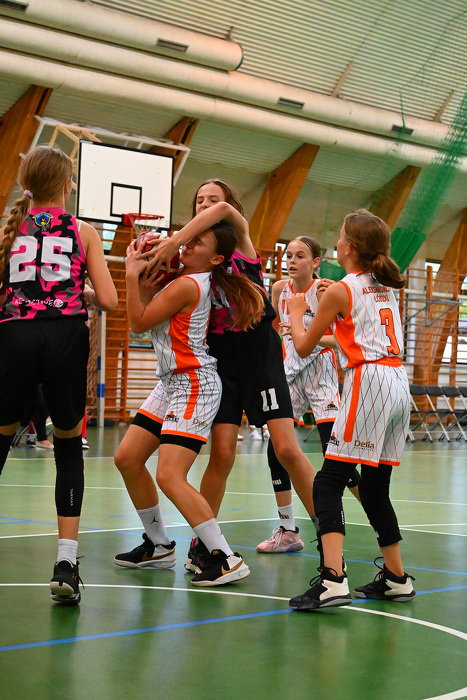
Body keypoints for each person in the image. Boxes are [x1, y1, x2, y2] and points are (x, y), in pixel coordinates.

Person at [147, 179, 319, 570]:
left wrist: (174, 240)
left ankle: (326, 530)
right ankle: (204, 544)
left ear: (229, 205)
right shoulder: (194, 257)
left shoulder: (239, 241)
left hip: (259, 354)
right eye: (199, 200)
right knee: (222, 454)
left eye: (214, 199)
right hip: (220, 359)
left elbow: (224, 214)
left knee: (286, 449)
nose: (206, 205)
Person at [114, 221, 264, 586]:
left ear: (216, 258)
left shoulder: (188, 284)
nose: (187, 243)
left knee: (169, 475)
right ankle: (159, 544)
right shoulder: (185, 277)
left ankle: (225, 557)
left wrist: (131, 274)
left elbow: (138, 323)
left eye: (198, 241)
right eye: (189, 237)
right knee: (128, 458)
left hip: (193, 385)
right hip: (171, 383)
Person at [0, 146, 118, 605]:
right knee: (68, 446)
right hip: (64, 337)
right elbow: (109, 300)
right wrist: (78, 290)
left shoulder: (9, 229)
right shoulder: (82, 231)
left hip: (14, 336)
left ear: (25, 184)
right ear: (67, 185)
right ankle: (65, 564)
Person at [285, 209, 415, 611]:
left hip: (369, 382)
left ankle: (332, 579)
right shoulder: (383, 284)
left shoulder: (342, 290)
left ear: (350, 246)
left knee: (327, 482)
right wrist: (332, 298)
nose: (336, 242)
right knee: (374, 487)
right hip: (398, 382)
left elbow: (303, 345)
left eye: (341, 236)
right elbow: (353, 332)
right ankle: (396, 578)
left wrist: (295, 313)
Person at [256, 236, 360, 554]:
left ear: (315, 262)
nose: (292, 260)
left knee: (337, 457)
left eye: (300, 256)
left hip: (321, 377)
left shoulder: (327, 291)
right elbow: (276, 332)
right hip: (289, 376)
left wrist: (308, 336)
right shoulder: (279, 290)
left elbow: (342, 339)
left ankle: (375, 511)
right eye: (288, 255)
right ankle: (288, 530)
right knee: (276, 450)